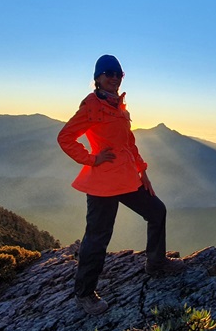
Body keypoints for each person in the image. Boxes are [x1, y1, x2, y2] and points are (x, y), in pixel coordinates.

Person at [57, 54, 184, 314]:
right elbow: (65, 137)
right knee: (97, 237)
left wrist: (142, 171)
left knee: (157, 211)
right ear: (98, 78)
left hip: (126, 178)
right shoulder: (92, 105)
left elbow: (129, 143)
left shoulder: (120, 107)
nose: (114, 78)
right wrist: (92, 159)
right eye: (109, 73)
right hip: (102, 182)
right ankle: (84, 294)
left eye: (119, 74)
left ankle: (156, 263)